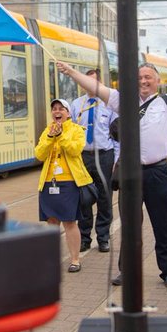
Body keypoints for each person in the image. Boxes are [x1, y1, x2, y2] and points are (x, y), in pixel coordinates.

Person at [57, 38, 167, 289]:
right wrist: (72, 72)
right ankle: (128, 271)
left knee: (163, 223)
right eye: (140, 77)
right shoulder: (123, 101)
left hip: (157, 172)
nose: (144, 81)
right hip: (130, 174)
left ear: (158, 81)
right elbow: (96, 87)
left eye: (148, 78)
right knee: (130, 227)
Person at [35, 98, 93, 272]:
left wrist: (60, 136)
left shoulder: (77, 130)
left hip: (69, 182)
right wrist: (51, 138)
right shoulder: (47, 130)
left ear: (68, 113)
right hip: (48, 182)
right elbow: (39, 154)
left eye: (61, 109)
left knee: (69, 222)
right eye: (54, 109)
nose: (57, 112)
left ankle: (75, 259)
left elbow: (75, 150)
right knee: (51, 221)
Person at [70, 69, 117, 253]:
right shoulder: (76, 105)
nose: (89, 85)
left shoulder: (109, 104)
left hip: (105, 155)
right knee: (84, 198)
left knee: (105, 198)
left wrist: (117, 160)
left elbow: (116, 136)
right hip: (83, 156)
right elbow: (72, 132)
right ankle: (84, 237)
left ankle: (103, 237)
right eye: (86, 82)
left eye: (93, 82)